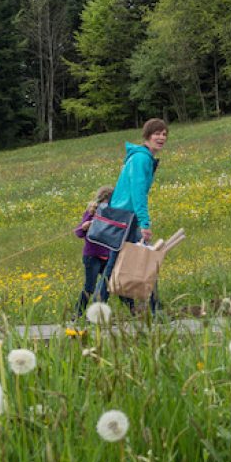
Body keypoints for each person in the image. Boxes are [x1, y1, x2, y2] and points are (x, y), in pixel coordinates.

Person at [103, 118, 167, 314]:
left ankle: (97, 310)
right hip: (128, 218)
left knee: (114, 264)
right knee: (148, 261)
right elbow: (138, 192)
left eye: (164, 134)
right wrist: (144, 222)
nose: (161, 138)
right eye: (157, 133)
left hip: (123, 216)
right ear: (147, 136)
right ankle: (155, 311)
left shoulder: (140, 157)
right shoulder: (141, 159)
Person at [74, 185, 115, 318]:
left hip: (107, 256)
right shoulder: (91, 212)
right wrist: (85, 226)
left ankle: (131, 309)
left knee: (111, 284)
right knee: (89, 287)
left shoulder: (113, 213)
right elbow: (79, 233)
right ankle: (78, 313)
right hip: (92, 256)